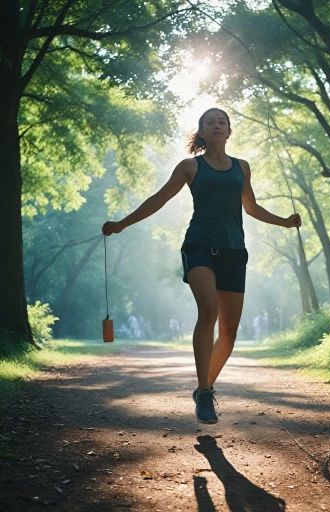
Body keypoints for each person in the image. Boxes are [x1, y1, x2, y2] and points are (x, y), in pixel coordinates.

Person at [102, 107, 301, 424]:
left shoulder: (241, 168)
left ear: (229, 131)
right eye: (211, 122)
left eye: (222, 122)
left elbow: (251, 208)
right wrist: (123, 224)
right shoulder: (190, 167)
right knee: (208, 309)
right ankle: (205, 393)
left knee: (229, 336)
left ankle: (203, 387)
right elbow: (159, 199)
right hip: (198, 247)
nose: (217, 126)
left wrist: (285, 223)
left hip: (234, 251)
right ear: (203, 131)